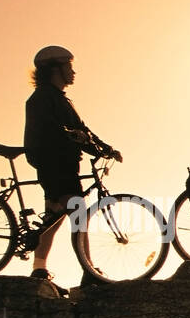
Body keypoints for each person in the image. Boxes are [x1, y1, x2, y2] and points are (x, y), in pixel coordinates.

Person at [23, 45, 121, 290]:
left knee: (53, 218)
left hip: (61, 165)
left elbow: (82, 129)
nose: (73, 72)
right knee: (79, 214)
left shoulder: (59, 99)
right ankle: (89, 271)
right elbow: (51, 130)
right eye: (69, 66)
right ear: (55, 68)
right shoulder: (43, 99)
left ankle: (38, 268)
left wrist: (104, 148)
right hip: (56, 165)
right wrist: (71, 135)